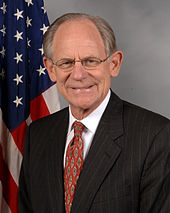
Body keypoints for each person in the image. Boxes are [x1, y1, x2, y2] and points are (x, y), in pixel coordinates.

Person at [18, 13, 170, 213]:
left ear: (114, 64)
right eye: (66, 63)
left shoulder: (155, 137)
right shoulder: (38, 134)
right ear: (51, 69)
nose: (79, 75)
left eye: (90, 61)